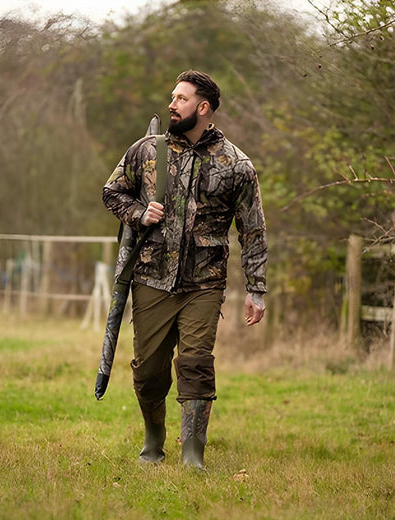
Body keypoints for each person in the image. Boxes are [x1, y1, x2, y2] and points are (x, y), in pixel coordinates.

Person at [102, 70, 267, 469]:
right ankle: (154, 439)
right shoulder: (146, 151)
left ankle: (193, 456)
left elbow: (254, 229)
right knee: (149, 372)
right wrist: (140, 213)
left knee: (196, 363)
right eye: (172, 97)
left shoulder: (236, 165)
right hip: (150, 279)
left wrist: (256, 288)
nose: (172, 104)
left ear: (203, 107)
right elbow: (111, 192)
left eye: (181, 98)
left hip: (204, 284)